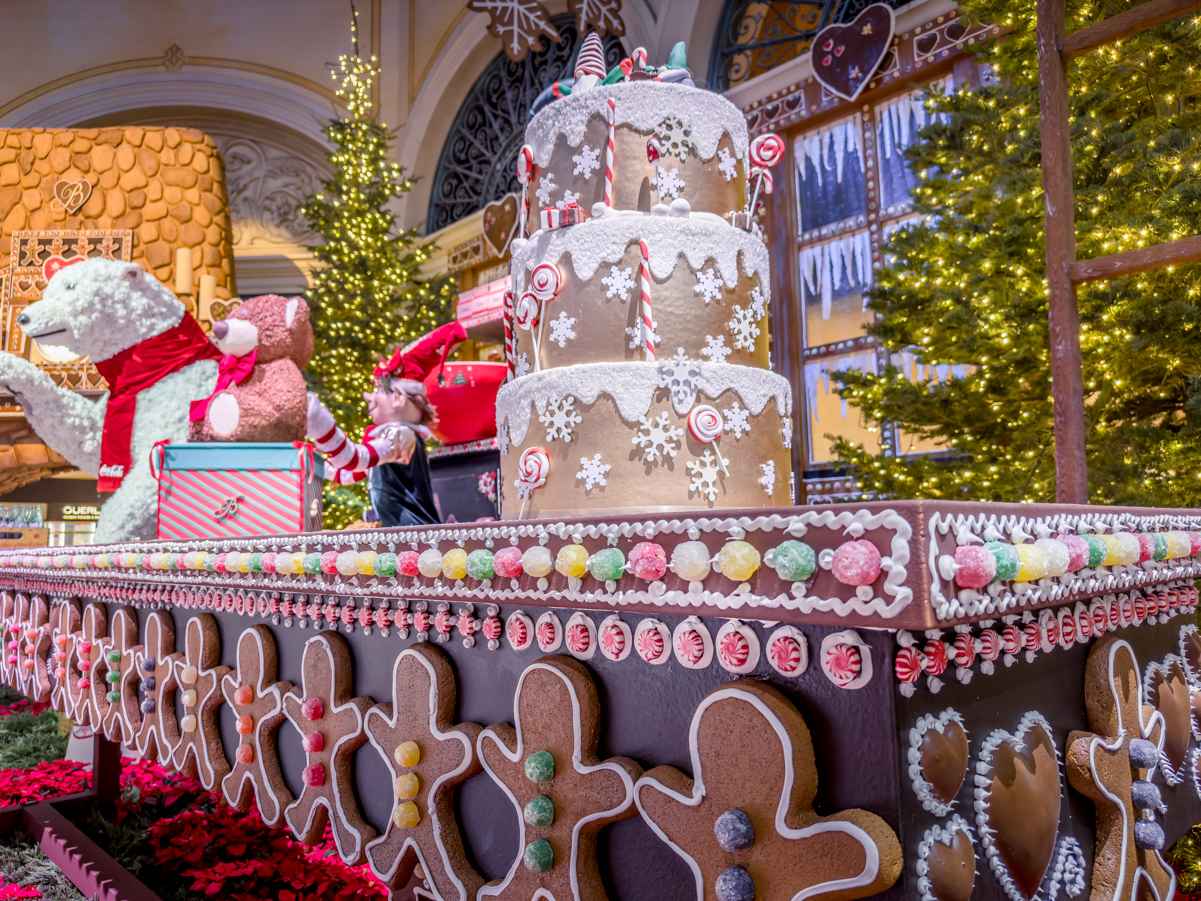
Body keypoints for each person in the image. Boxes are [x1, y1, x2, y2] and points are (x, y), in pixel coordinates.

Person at [314, 321, 466, 527]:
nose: (369, 397)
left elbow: (356, 458)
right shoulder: (392, 437)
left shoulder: (402, 435)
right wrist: (315, 465)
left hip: (412, 536)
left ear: (398, 398)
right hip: (399, 533)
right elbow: (349, 472)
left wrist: (318, 422)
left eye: (378, 391)